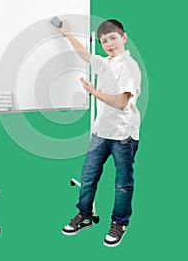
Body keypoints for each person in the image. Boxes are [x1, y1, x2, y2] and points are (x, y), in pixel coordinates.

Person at [55, 19, 141, 247]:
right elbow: (85, 55)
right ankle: (84, 215)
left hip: (123, 134)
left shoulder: (129, 66)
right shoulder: (106, 63)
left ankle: (119, 223)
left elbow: (123, 102)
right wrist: (66, 34)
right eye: (104, 41)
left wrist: (94, 92)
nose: (109, 43)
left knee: (123, 183)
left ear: (123, 37)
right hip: (101, 131)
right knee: (88, 176)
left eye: (113, 38)